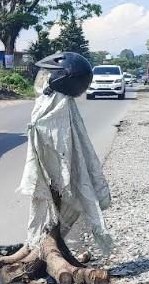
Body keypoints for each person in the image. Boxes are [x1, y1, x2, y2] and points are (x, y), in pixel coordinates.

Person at [18, 52, 113, 255]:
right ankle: (38, 246)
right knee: (46, 206)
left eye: (47, 75)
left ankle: (49, 248)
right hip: (51, 181)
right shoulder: (49, 103)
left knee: (55, 205)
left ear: (61, 78)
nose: (42, 80)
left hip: (58, 183)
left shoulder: (57, 109)